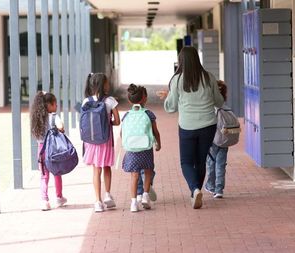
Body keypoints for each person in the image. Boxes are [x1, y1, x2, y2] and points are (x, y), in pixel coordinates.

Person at [158, 46, 224, 209]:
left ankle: (194, 190)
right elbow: (219, 102)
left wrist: (167, 98)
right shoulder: (209, 77)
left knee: (186, 161)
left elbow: (171, 107)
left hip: (187, 126)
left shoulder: (177, 80)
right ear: (197, 58)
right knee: (201, 161)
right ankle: (196, 192)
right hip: (208, 125)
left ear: (181, 61)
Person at [82, 73, 121, 212]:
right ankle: (108, 195)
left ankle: (97, 201)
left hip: (91, 141)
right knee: (106, 167)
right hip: (105, 139)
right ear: (103, 85)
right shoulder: (110, 101)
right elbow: (117, 121)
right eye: (107, 82)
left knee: (96, 170)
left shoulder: (86, 101)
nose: (109, 84)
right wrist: (107, 122)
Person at [121, 84, 161, 212]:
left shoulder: (126, 115)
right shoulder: (149, 114)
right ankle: (145, 196)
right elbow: (155, 131)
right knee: (148, 171)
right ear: (145, 98)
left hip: (132, 149)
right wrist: (158, 143)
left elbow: (122, 133)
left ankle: (133, 203)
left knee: (134, 175)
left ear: (129, 100)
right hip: (146, 148)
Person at [30, 91, 67, 211]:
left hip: (41, 150)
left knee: (44, 176)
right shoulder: (54, 117)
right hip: (53, 151)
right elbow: (61, 127)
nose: (56, 106)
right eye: (55, 104)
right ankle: (59, 197)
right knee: (57, 173)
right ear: (49, 105)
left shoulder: (37, 119)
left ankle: (45, 200)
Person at [204, 81, 229, 199]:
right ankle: (219, 189)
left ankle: (211, 186)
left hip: (213, 139)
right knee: (221, 164)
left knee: (210, 163)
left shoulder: (210, 107)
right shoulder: (224, 106)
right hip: (224, 139)